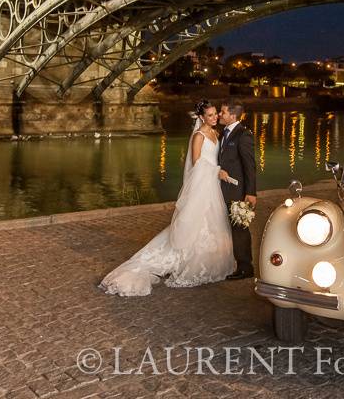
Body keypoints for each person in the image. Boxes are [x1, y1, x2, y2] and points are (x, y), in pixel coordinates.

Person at [98, 100, 234, 296]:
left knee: (211, 221)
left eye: (215, 114)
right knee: (197, 220)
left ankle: (208, 259)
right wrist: (217, 171)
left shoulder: (215, 133)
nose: (215, 118)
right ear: (202, 117)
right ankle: (185, 260)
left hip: (212, 184)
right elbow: (197, 164)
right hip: (203, 184)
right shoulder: (198, 136)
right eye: (211, 115)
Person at [217, 99, 257, 280]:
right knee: (228, 227)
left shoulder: (243, 135)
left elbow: (250, 166)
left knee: (240, 228)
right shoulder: (222, 134)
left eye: (223, 112)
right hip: (222, 189)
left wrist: (251, 192)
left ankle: (245, 267)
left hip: (238, 191)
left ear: (233, 115)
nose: (220, 114)